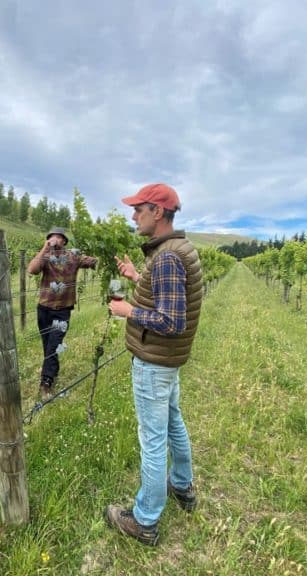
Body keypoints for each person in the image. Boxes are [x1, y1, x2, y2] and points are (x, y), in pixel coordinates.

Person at [104, 183, 204, 546]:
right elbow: (167, 294)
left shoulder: (166, 257)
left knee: (152, 439)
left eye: (139, 209)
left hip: (154, 362)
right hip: (168, 360)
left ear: (157, 212)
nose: (133, 216)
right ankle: (182, 486)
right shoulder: (176, 250)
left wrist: (128, 310)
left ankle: (144, 520)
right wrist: (136, 278)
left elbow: (172, 321)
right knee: (173, 422)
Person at [27, 227, 97, 401]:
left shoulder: (73, 257)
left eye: (58, 237)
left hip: (62, 311)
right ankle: (53, 370)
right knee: (47, 345)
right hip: (43, 309)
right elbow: (32, 270)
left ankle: (46, 382)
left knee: (53, 345)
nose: (54, 240)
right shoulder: (44, 257)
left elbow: (93, 261)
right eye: (51, 237)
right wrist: (45, 248)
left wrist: (98, 256)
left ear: (64, 241)